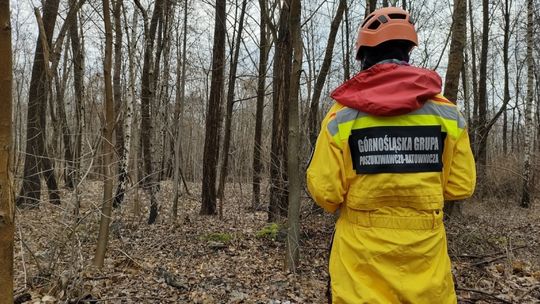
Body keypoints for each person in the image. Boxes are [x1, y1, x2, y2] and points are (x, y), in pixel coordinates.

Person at [306, 6, 476, 304]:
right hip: (426, 261)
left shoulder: (342, 117)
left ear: (365, 57)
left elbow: (325, 192)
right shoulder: (447, 113)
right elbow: (460, 186)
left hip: (359, 265)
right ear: (408, 51)